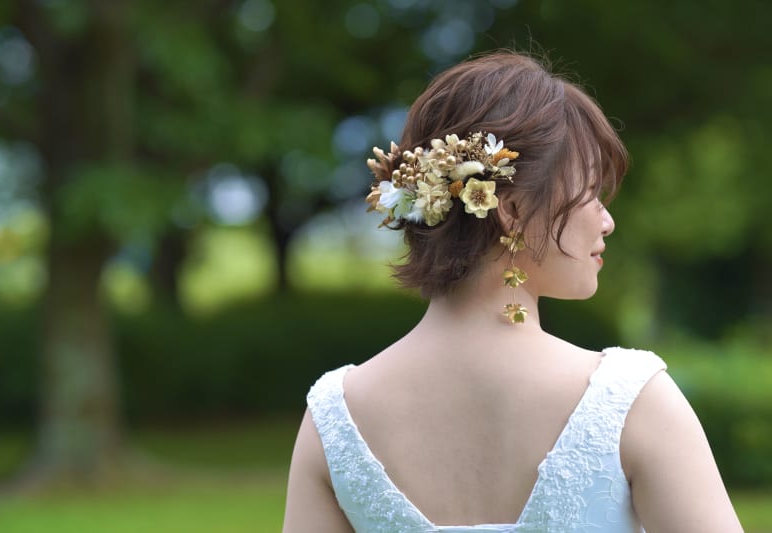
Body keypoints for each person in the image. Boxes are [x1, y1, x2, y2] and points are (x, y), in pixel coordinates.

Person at [282, 51, 743, 532]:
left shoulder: (335, 419)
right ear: (512, 210)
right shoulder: (632, 402)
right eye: (589, 192)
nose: (607, 221)